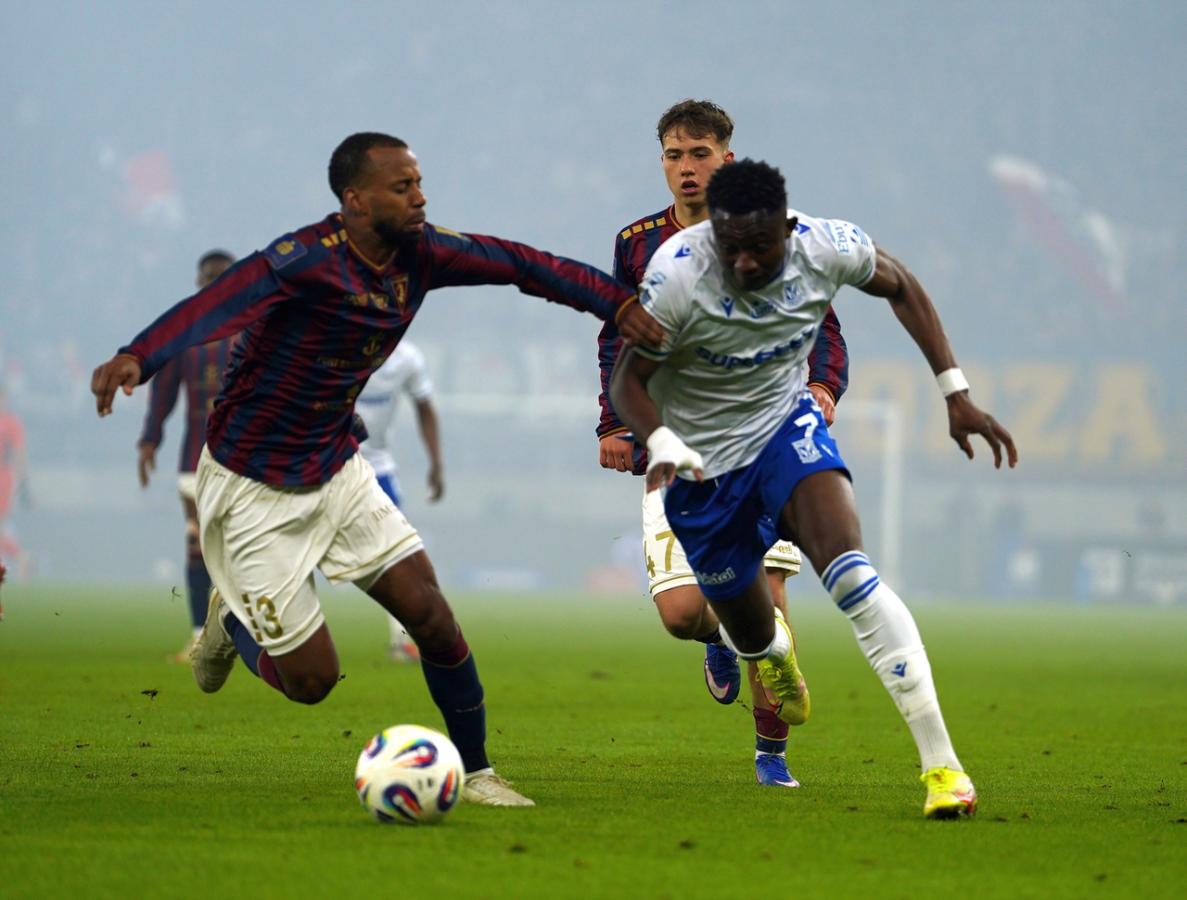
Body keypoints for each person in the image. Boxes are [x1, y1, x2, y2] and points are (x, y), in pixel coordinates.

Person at [92, 131, 662, 809]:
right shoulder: (303, 260)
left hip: (336, 467)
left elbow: (521, 264)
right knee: (312, 683)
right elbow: (212, 306)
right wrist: (139, 355)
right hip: (251, 486)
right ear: (355, 200)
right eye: (402, 187)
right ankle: (233, 623)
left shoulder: (422, 252)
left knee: (433, 617)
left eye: (418, 183)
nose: (419, 198)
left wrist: (615, 302)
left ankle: (477, 771)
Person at [610, 159, 1018, 818]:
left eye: (759, 247)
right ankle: (770, 651)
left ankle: (943, 770)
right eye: (730, 247)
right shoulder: (676, 274)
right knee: (746, 631)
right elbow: (627, 380)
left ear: (786, 228)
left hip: (785, 433)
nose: (744, 262)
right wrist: (658, 439)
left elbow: (902, 285)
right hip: (701, 465)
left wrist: (955, 392)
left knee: (852, 577)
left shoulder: (826, 244)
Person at [597, 100, 849, 788]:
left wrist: (823, 386)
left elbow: (822, 325)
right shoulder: (637, 243)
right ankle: (718, 637)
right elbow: (617, 337)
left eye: (700, 154)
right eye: (674, 155)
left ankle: (772, 756)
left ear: (726, 159)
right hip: (677, 446)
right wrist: (613, 421)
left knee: (769, 595)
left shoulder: (770, 233)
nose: (686, 168)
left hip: (765, 439)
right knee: (682, 615)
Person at [137, 250, 238, 661]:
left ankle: (240, 632)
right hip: (194, 461)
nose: (213, 284)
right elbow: (161, 395)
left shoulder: (255, 330)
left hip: (245, 463)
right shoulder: (184, 334)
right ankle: (200, 636)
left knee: (238, 546)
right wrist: (149, 441)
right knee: (197, 542)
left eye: (221, 276)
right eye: (208, 277)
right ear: (198, 283)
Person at [353, 339, 442, 661]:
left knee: (399, 554)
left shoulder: (407, 358)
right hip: (330, 462)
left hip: (378, 468)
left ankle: (403, 641)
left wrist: (436, 464)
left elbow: (425, 407)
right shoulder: (340, 341)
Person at [0, 383, 30, 583]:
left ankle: (20, 557)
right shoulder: (11, 423)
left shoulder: (11, 423)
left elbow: (19, 454)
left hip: (3, 477)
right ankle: (20, 558)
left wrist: (22, 482)